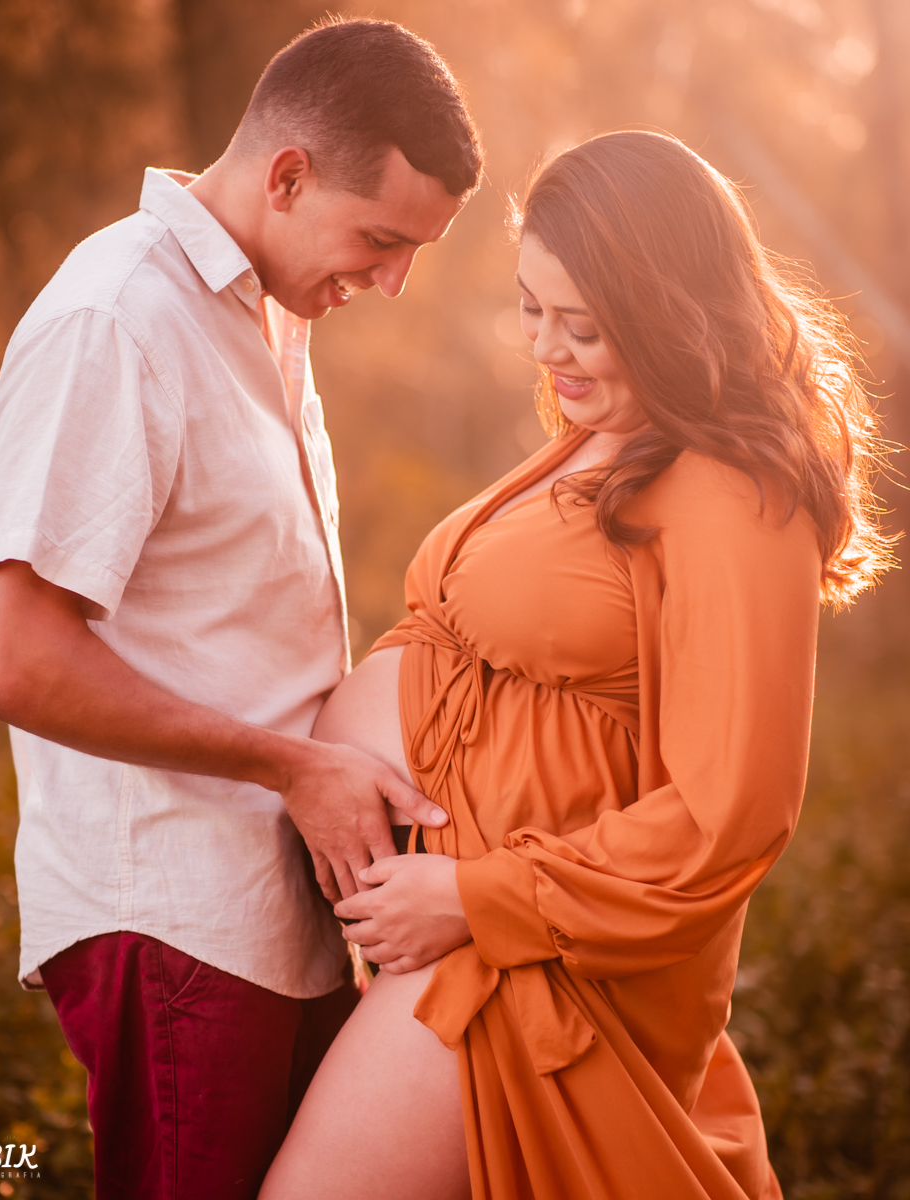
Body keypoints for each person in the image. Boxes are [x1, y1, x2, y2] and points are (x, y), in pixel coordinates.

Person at [259, 131, 892, 1200]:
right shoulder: (608, 436)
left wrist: (474, 896)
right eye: (529, 307)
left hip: (524, 972)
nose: (546, 349)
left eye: (584, 325)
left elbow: (726, 813)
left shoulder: (735, 492)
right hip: (461, 934)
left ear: (668, 309)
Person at [0, 18, 482, 1200]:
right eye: (382, 239)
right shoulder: (118, 318)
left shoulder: (269, 316)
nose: (392, 282)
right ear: (287, 174)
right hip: (176, 926)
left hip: (276, 919)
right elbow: (10, 661)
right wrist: (293, 768)